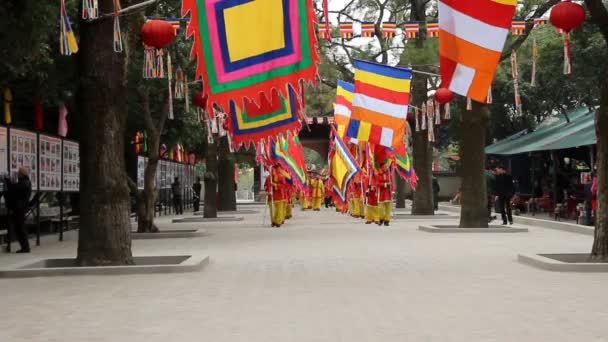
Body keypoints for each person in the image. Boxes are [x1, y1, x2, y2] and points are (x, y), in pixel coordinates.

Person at [5, 167, 32, 253]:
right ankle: (25, 247)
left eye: (18, 173)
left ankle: (25, 248)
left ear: (21, 174)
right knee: (19, 227)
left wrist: (7, 179)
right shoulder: (25, 182)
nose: (17, 174)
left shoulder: (24, 183)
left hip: (19, 208)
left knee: (20, 228)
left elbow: (13, 188)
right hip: (20, 208)